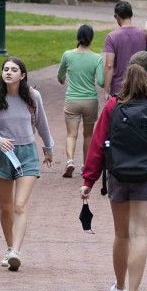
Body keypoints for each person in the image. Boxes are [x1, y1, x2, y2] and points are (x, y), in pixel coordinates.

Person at [80, 52, 147, 291]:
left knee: (121, 234)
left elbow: (97, 146)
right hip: (146, 175)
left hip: (117, 175)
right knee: (139, 234)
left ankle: (120, 289)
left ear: (127, 73)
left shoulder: (113, 105)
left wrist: (89, 180)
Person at [0, 58, 55, 271]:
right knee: (6, 208)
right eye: (5, 69)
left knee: (20, 205)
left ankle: (15, 252)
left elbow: (42, 124)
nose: (8, 73)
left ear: (22, 75)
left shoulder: (32, 96)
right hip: (3, 155)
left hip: (27, 154)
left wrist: (48, 149)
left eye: (14, 70)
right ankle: (9, 246)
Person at [57, 24, 105, 178]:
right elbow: (102, 82)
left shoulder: (68, 55)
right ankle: (86, 165)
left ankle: (70, 161)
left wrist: (63, 79)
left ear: (77, 37)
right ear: (91, 39)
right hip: (90, 100)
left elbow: (60, 75)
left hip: (72, 99)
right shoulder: (97, 58)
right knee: (88, 135)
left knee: (71, 134)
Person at [102, 1, 147, 98]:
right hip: (141, 86)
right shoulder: (145, 34)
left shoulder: (111, 37)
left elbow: (109, 66)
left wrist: (106, 90)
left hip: (119, 87)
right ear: (132, 15)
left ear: (117, 16)